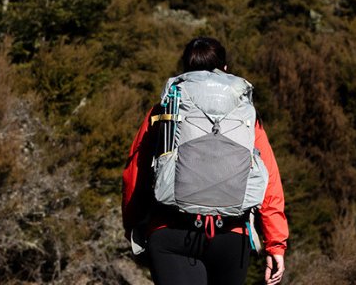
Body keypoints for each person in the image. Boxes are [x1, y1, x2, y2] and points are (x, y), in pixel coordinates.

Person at [122, 37, 289, 285]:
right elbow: (269, 181)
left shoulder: (165, 110)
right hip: (231, 236)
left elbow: (134, 176)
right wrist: (275, 243)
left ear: (186, 70)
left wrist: (135, 229)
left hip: (170, 232)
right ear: (225, 70)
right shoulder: (245, 113)